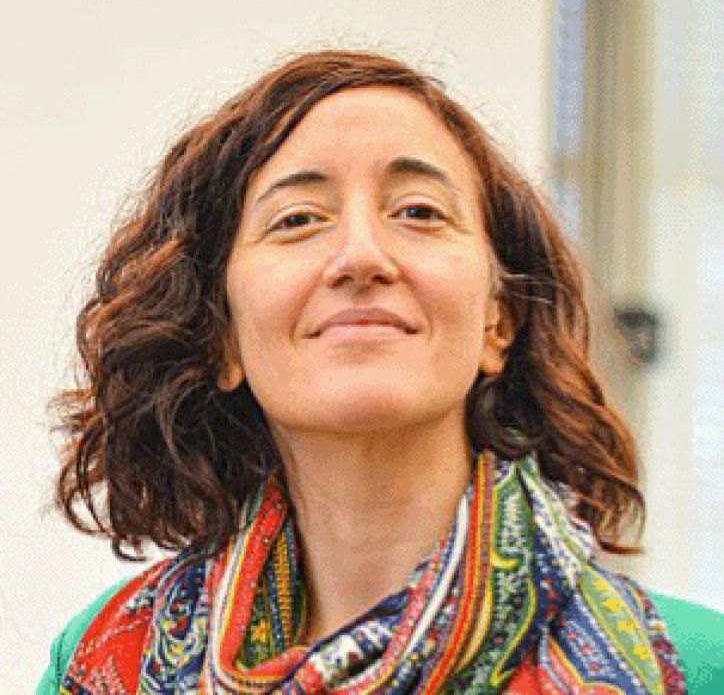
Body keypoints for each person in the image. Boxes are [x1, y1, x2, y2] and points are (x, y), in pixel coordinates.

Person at [39, 48, 697, 693]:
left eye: (419, 212)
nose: (360, 256)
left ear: (498, 322)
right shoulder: (102, 665)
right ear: (220, 336)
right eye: (297, 220)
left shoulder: (695, 667)